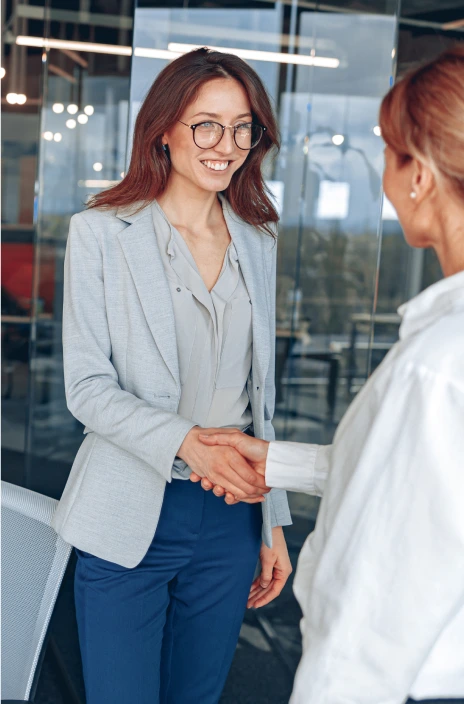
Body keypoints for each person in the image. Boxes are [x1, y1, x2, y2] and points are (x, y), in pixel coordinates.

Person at [192, 43, 464, 704]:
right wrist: (279, 464)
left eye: (388, 151)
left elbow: (368, 638)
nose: (383, 175)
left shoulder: (448, 364)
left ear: (420, 176)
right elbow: (456, 492)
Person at [52, 48, 292, 704]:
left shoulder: (258, 239)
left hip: (231, 520)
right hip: (132, 506)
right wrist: (189, 442)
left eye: (244, 127)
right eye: (206, 125)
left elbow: (258, 401)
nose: (227, 145)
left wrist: (272, 522)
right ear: (164, 128)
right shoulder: (101, 232)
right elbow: (87, 389)